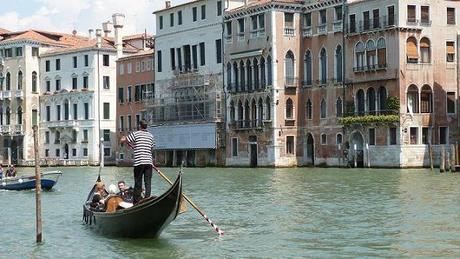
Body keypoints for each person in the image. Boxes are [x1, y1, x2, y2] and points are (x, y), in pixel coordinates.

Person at [120, 119, 155, 204]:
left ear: (139, 126)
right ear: (146, 126)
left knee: (138, 182)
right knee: (148, 182)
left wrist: (123, 138)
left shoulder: (136, 134)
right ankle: (147, 198)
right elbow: (152, 149)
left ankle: (136, 202)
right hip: (148, 162)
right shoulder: (151, 136)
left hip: (139, 162)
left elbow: (124, 140)